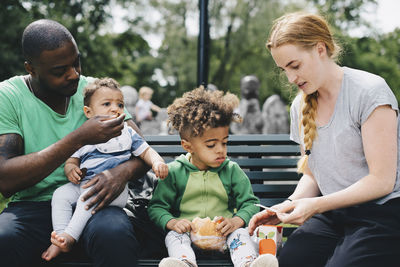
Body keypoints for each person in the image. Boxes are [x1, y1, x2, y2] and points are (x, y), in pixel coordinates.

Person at [248, 12, 400, 267]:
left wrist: (315, 206)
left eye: (295, 66)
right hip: (332, 214)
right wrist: (285, 208)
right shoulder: (300, 104)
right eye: (284, 69)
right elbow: (313, 176)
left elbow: (382, 181)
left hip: (382, 213)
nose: (290, 78)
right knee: (291, 261)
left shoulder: (370, 91)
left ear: (320, 49)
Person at [0, 19, 150, 267]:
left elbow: (141, 149)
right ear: (32, 68)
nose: (74, 74)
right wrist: (78, 138)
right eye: (60, 71)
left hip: (96, 200)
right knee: (4, 237)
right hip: (32, 206)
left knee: (113, 232)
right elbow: (5, 179)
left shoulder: (95, 93)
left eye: (76, 62)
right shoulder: (9, 97)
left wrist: (120, 173)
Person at [148, 87, 279, 267]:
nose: (220, 150)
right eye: (211, 145)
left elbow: (250, 204)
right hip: (189, 236)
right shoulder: (174, 172)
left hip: (224, 237)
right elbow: (157, 207)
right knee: (174, 236)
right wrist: (172, 222)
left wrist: (236, 221)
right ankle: (183, 263)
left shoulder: (231, 170)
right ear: (188, 146)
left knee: (240, 234)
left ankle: (248, 263)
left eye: (224, 143)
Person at [42, 77, 168, 261]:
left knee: (87, 199)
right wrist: (71, 169)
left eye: (120, 104)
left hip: (113, 191)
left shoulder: (127, 132)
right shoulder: (86, 133)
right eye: (107, 104)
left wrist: (157, 162)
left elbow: (147, 151)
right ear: (89, 112)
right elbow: (72, 159)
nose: (115, 108)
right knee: (60, 194)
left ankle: (70, 237)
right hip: (85, 184)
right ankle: (60, 234)